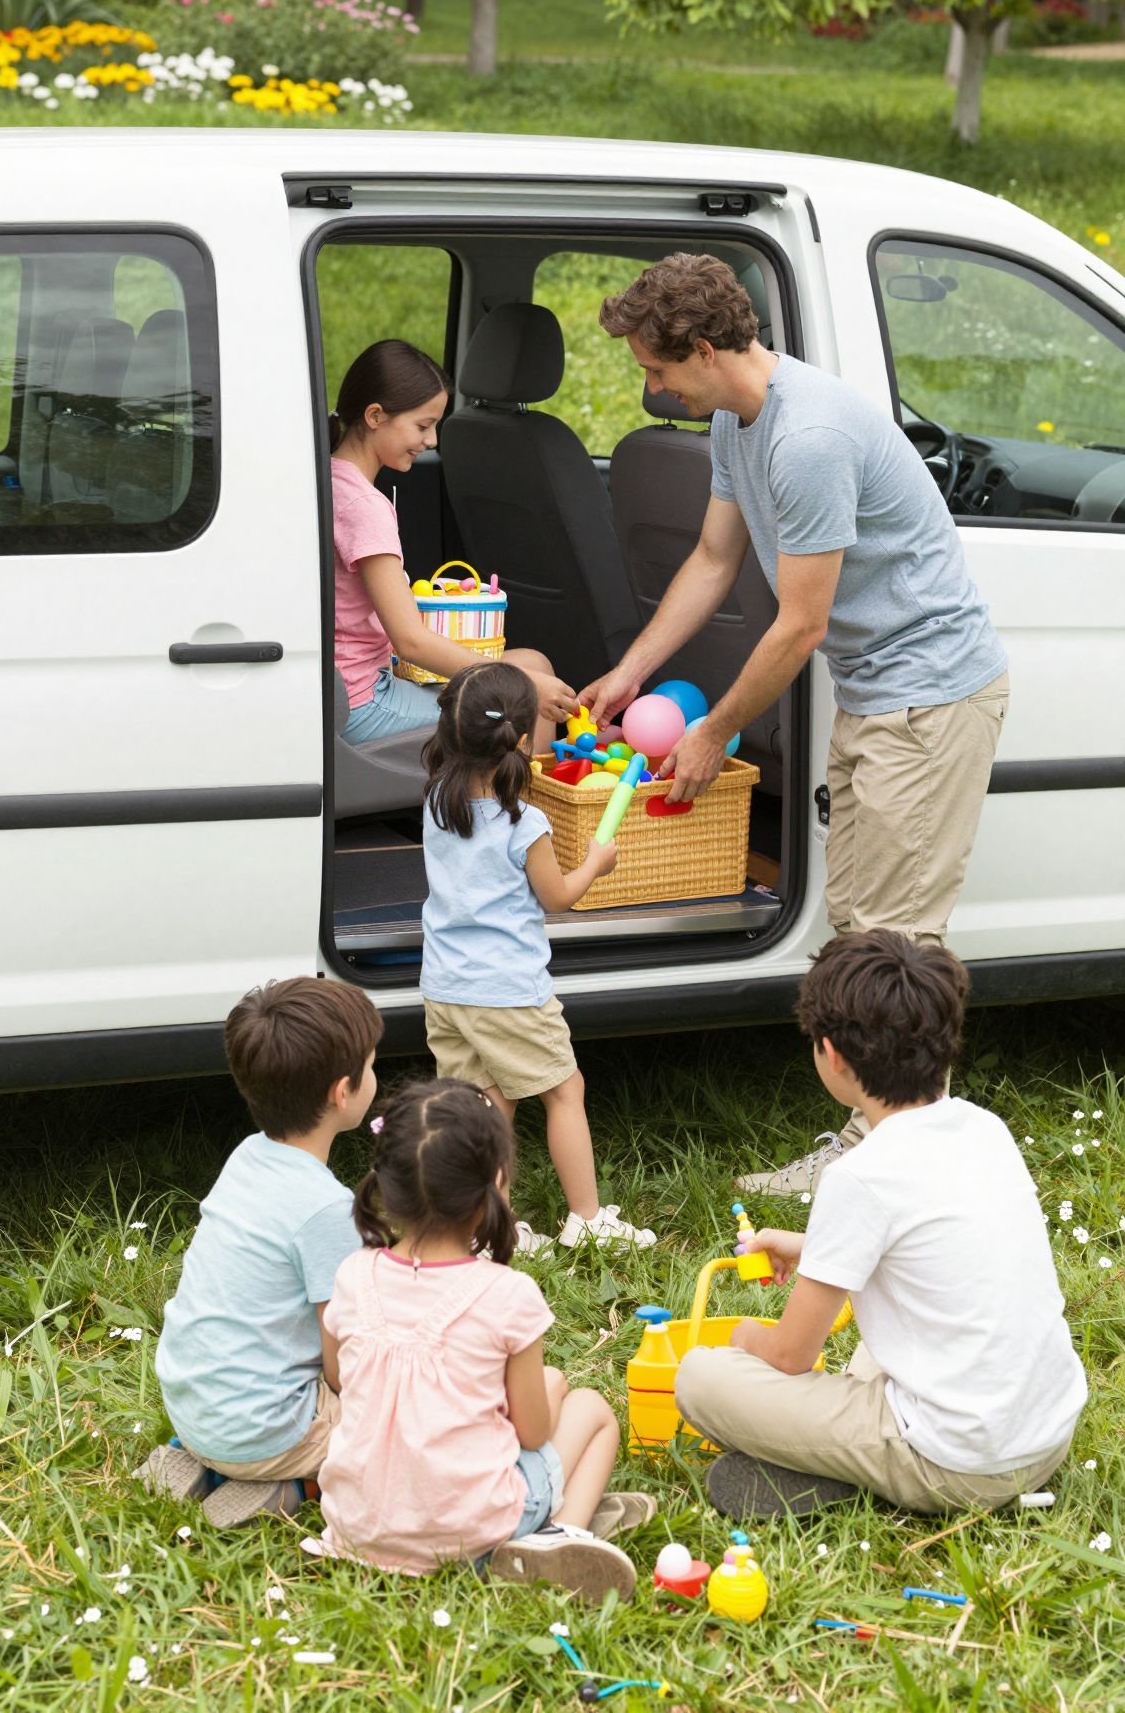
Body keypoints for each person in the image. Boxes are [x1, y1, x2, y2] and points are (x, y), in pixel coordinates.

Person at [586, 253, 1010, 1193]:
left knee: (897, 946)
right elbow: (712, 557)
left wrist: (710, 731)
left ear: (704, 350)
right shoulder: (737, 419)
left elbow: (801, 625)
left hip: (929, 695)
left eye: (657, 369)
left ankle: (893, 1164)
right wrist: (632, 670)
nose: (652, 388)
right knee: (856, 925)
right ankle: (886, 1146)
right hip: (877, 689)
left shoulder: (807, 438)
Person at [674, 931, 1086, 1521]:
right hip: (1045, 1436)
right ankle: (854, 1464)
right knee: (895, 1331)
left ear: (832, 1054)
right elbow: (926, 1245)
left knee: (700, 1376)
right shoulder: (984, 1128)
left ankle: (863, 1472)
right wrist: (812, 1246)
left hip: (961, 1464)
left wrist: (744, 1338)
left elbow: (790, 1356)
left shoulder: (859, 1175)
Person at [313, 1078, 655, 1598]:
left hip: (356, 1523)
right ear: (497, 1182)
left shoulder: (352, 1275)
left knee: (551, 1383)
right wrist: (548, 1393)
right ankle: (559, 1537)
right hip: (465, 1529)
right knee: (591, 1409)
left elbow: (339, 1376)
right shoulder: (507, 1293)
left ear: (387, 1183)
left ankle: (551, 1523)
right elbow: (533, 1435)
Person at [420, 659, 656, 1253]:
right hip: (509, 992)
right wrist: (595, 863)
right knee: (564, 1090)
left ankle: (488, 1229)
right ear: (525, 742)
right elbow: (558, 898)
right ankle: (588, 1220)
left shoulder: (437, 804)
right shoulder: (525, 824)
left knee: (486, 1105)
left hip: (445, 987)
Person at [136, 978, 382, 1529]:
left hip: (190, 1404)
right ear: (343, 1093)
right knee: (400, 1422)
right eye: (372, 1065)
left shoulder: (247, 1156)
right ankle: (293, 1485)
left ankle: (197, 1460)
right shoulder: (327, 1210)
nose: (376, 1074)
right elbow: (342, 1362)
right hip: (264, 1432)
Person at [331, 337, 573, 750]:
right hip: (366, 701)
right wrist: (523, 683)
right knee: (525, 697)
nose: (432, 440)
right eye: (422, 426)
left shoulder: (332, 479)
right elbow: (410, 641)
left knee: (533, 662)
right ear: (375, 416)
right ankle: (527, 793)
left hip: (358, 683)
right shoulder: (363, 505)